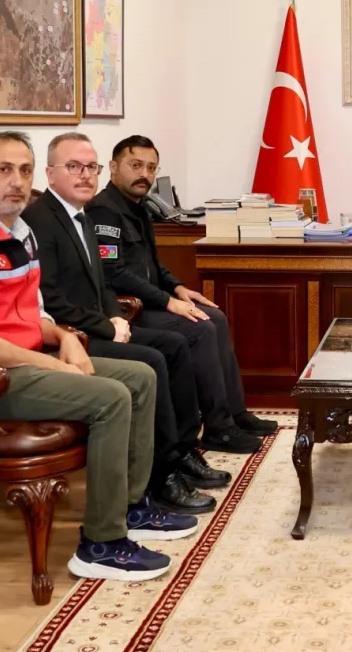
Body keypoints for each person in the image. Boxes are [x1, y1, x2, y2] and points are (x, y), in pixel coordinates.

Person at [0, 132, 197, 582]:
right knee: (110, 397)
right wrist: (54, 362)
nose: (17, 181)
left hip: (19, 364)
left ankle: (130, 507)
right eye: (4, 170)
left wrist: (64, 338)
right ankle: (101, 544)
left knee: (141, 377)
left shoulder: (21, 232)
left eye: (24, 171)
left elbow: (37, 313)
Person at [23, 132, 230, 515]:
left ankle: (182, 451)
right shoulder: (39, 221)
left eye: (91, 167)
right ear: (50, 174)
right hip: (69, 336)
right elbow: (50, 299)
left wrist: (116, 316)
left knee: (174, 346)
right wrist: (106, 326)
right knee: (154, 358)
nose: (85, 175)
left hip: (98, 324)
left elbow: (101, 282)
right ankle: (161, 475)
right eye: (74, 167)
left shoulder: (80, 216)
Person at [88, 135, 277, 453]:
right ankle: (218, 428)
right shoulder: (104, 211)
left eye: (151, 167)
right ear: (113, 167)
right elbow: (114, 273)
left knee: (215, 317)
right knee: (200, 328)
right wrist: (168, 301)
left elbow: (153, 265)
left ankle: (235, 413)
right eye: (136, 165)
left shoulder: (139, 208)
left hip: (151, 301)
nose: (144, 175)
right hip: (127, 310)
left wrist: (178, 288)